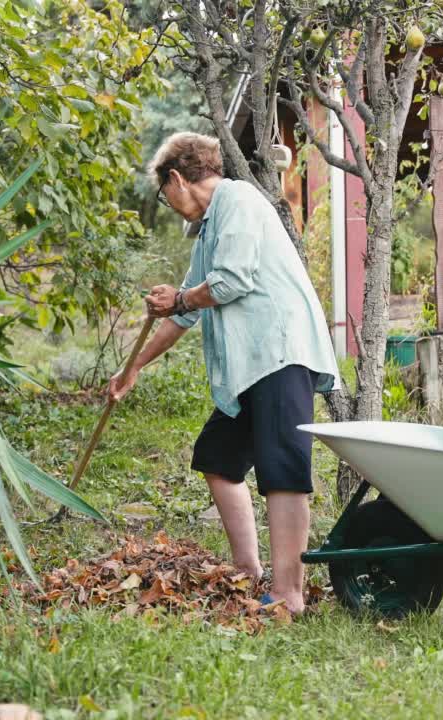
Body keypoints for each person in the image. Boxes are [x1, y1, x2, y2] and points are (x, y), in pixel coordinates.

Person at [108, 132, 339, 614]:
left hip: (280, 351)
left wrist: (182, 297)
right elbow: (184, 313)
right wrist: (133, 369)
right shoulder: (213, 227)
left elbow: (230, 283)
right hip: (251, 366)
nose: (167, 204)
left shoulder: (238, 199)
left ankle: (289, 595)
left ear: (176, 178)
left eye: (162, 193)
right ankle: (248, 573)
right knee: (218, 456)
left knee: (283, 472)